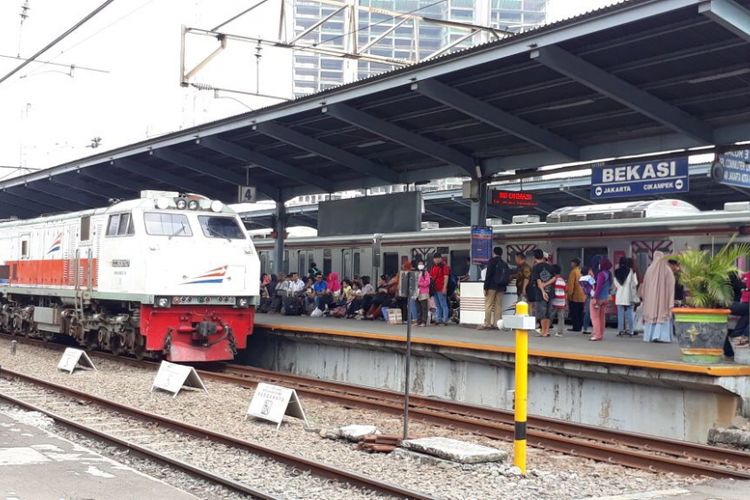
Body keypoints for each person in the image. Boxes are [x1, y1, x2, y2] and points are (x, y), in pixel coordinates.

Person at [641, 251, 675, 343]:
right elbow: (671, 286)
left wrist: (645, 298)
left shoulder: (649, 270)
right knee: (662, 314)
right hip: (663, 301)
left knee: (652, 313)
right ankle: (662, 336)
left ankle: (650, 335)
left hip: (650, 301)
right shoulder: (667, 270)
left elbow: (644, 286)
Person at [481, 246, 509, 330]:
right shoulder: (504, 263)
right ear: (501, 253)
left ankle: (487, 323)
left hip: (491, 286)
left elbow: (488, 275)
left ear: (494, 252)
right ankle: (497, 324)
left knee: (488, 305)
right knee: (498, 305)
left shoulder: (492, 261)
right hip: (501, 287)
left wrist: (485, 287)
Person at [530, 249, 555, 337]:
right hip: (551, 292)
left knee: (542, 313)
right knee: (548, 313)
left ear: (535, 257)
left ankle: (543, 332)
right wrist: (547, 284)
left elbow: (538, 281)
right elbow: (554, 278)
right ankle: (547, 331)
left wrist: (543, 291)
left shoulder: (536, 268)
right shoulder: (550, 267)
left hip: (541, 294)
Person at [614, 257, 639, 337]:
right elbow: (635, 283)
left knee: (620, 314)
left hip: (619, 295)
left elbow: (616, 284)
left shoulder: (616, 271)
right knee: (629, 314)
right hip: (628, 295)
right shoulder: (630, 271)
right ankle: (631, 330)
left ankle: (620, 330)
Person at [589, 256, 613, 341]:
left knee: (595, 317)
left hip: (598, 299)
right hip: (605, 298)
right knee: (602, 317)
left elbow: (598, 287)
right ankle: (601, 334)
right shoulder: (609, 274)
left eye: (600, 263)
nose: (599, 264)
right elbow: (609, 286)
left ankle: (597, 334)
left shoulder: (601, 274)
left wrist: (595, 297)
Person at [429, 253, 451, 326]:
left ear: (441, 258)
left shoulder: (444, 267)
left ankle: (445, 320)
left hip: (441, 288)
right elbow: (431, 277)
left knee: (443, 304)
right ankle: (438, 319)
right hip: (434, 288)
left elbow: (446, 277)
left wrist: (444, 288)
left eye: (438, 258)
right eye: (435, 258)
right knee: (437, 305)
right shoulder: (433, 267)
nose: (436, 259)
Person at [566, 258, 586, 332]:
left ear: (574, 264)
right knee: (580, 313)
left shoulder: (573, 272)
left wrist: (569, 295)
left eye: (572, 263)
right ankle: (579, 326)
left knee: (575, 313)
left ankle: (575, 327)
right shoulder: (580, 271)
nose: (571, 264)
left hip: (575, 296)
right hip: (582, 295)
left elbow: (571, 285)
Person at [551, 264, 567, 337]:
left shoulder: (553, 280)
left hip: (554, 300)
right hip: (562, 300)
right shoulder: (562, 280)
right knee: (561, 317)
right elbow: (565, 290)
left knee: (550, 315)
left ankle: (546, 328)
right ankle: (560, 332)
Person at [579, 266, 595, 334]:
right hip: (592, 295)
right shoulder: (589, 278)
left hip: (586, 295)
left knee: (586, 312)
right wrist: (592, 275)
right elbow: (594, 285)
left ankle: (584, 328)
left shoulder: (580, 279)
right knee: (591, 313)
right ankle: (589, 328)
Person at [416, 260, 431, 326]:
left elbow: (427, 282)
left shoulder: (426, 273)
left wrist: (419, 284)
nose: (420, 265)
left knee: (424, 307)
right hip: (416, 292)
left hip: (423, 292)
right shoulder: (416, 272)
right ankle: (418, 321)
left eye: (421, 264)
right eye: (419, 264)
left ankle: (424, 321)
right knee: (418, 307)